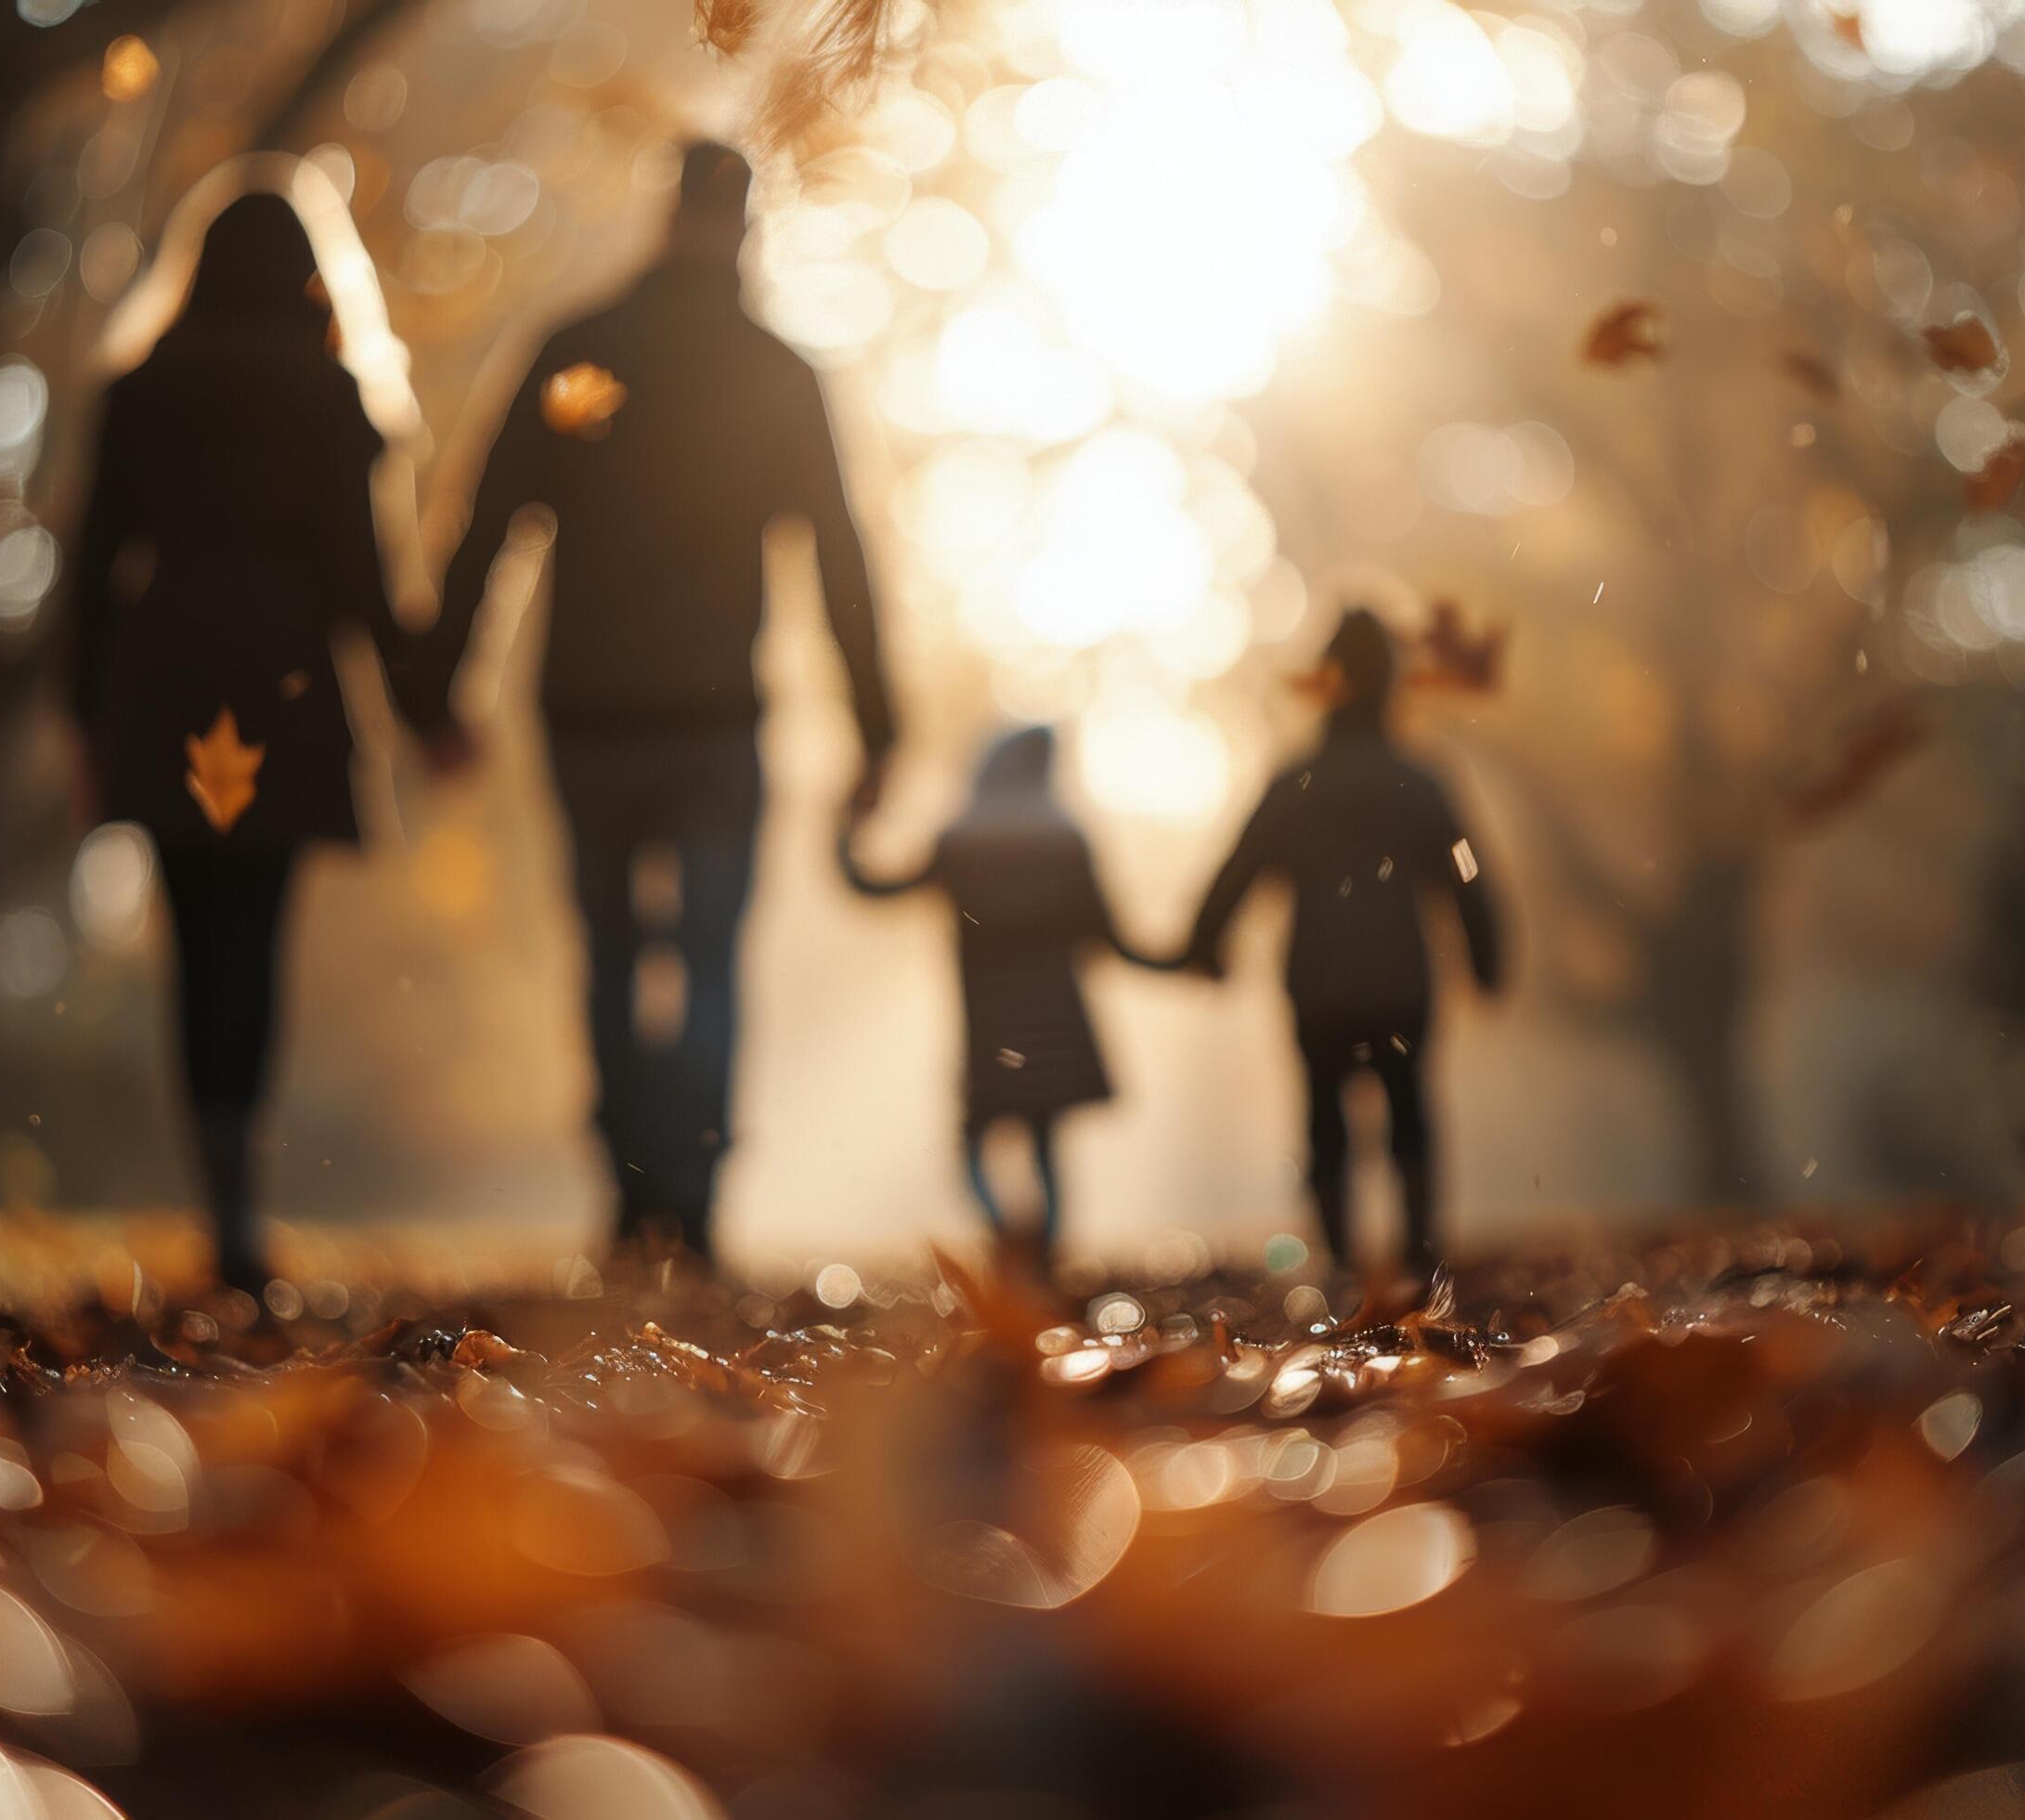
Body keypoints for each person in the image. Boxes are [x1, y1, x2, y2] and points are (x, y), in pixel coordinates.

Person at [422, 141, 897, 1259]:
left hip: (586, 708)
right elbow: (838, 553)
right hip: (713, 717)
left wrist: (438, 691)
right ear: (741, 229)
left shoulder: (578, 351)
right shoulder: (775, 373)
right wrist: (878, 729)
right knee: (710, 953)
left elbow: (486, 523)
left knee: (608, 950)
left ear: (660, 216)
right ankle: (690, 1189)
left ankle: (630, 1190)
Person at [71, 189, 439, 1294]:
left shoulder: (140, 391)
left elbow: (91, 570)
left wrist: (84, 715)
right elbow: (361, 579)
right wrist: (429, 713)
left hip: (170, 687)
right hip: (282, 691)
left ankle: (223, 1199)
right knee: (257, 943)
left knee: (195, 948)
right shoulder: (329, 396)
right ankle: (242, 1216)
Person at [1182, 608, 1506, 1271]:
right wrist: (1485, 954)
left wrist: (1205, 942)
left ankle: (1342, 1269)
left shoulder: (1295, 785)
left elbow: (1238, 866)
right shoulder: (1419, 782)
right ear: (1392, 685)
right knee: (1408, 1107)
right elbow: (1465, 870)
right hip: (1400, 981)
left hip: (1318, 981)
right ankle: (1417, 1261)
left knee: (1325, 1118)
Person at [838, 727, 1165, 1262]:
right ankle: (1047, 1250)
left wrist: (848, 824)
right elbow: (1110, 934)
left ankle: (1006, 1234)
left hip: (989, 1025)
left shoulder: (962, 841)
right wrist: (1187, 959)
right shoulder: (1064, 840)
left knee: (972, 1138)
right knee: (1046, 1142)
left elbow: (872, 886)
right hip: (1057, 1025)